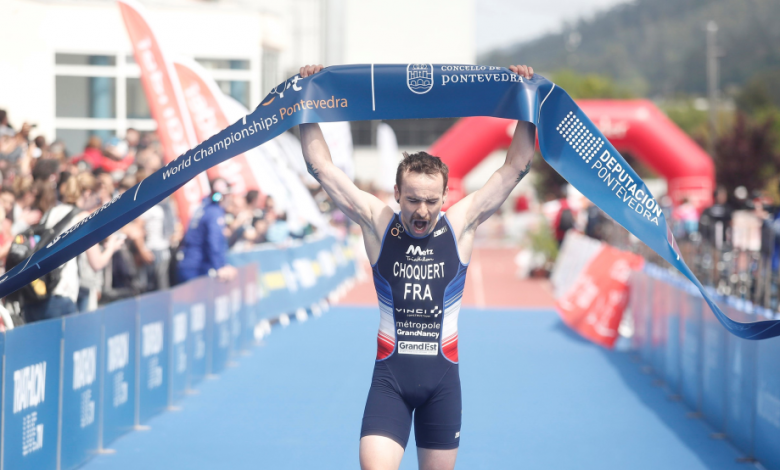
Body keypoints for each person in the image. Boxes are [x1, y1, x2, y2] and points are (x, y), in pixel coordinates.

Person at [298, 63, 536, 470]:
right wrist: (309, 101)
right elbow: (323, 168)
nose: (422, 211)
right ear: (396, 193)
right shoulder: (377, 223)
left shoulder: (460, 225)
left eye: (431, 200)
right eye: (412, 200)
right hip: (390, 383)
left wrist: (525, 101)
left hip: (443, 388)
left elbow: (514, 168)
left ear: (445, 195)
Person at [176, 178, 236, 283]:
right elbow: (214, 241)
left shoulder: (203, 208)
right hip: (198, 268)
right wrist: (220, 267)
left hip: (188, 264)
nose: (230, 199)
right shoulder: (214, 212)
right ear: (222, 196)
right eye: (228, 195)